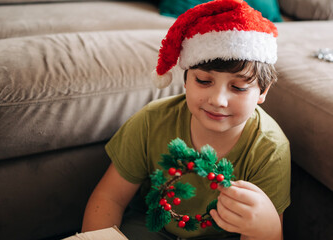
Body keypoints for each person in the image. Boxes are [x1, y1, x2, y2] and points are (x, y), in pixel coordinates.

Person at [81, 0, 291, 239]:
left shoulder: (270, 149)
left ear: (263, 91)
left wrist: (268, 227)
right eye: (203, 81)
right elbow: (110, 198)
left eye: (238, 87)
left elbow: (265, 232)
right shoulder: (151, 121)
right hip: (151, 229)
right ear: (186, 79)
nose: (218, 100)